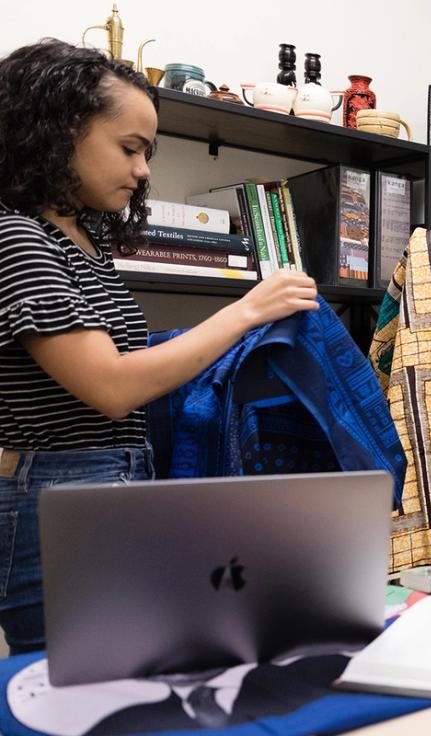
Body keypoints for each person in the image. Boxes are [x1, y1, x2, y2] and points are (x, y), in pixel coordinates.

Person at [0, 39, 319, 653]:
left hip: (112, 485)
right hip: (56, 497)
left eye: (146, 152)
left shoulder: (83, 244)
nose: (143, 170)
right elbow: (113, 386)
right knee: (80, 688)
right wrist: (247, 312)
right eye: (130, 149)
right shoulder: (17, 239)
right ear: (59, 132)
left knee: (126, 675)